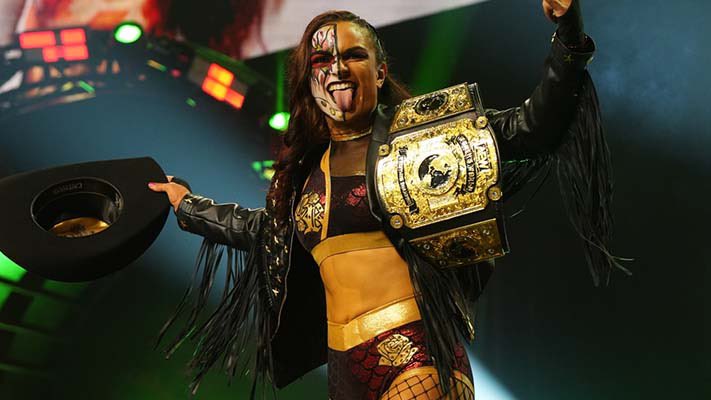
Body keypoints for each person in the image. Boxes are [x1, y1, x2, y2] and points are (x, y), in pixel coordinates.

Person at [149, 1, 622, 398]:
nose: (337, 68)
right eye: (322, 60)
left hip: (416, 351)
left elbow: (533, 126)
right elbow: (262, 230)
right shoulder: (305, 178)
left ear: (379, 72)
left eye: (353, 55)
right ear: (309, 79)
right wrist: (187, 206)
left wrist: (568, 35)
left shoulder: (424, 143)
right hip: (343, 366)